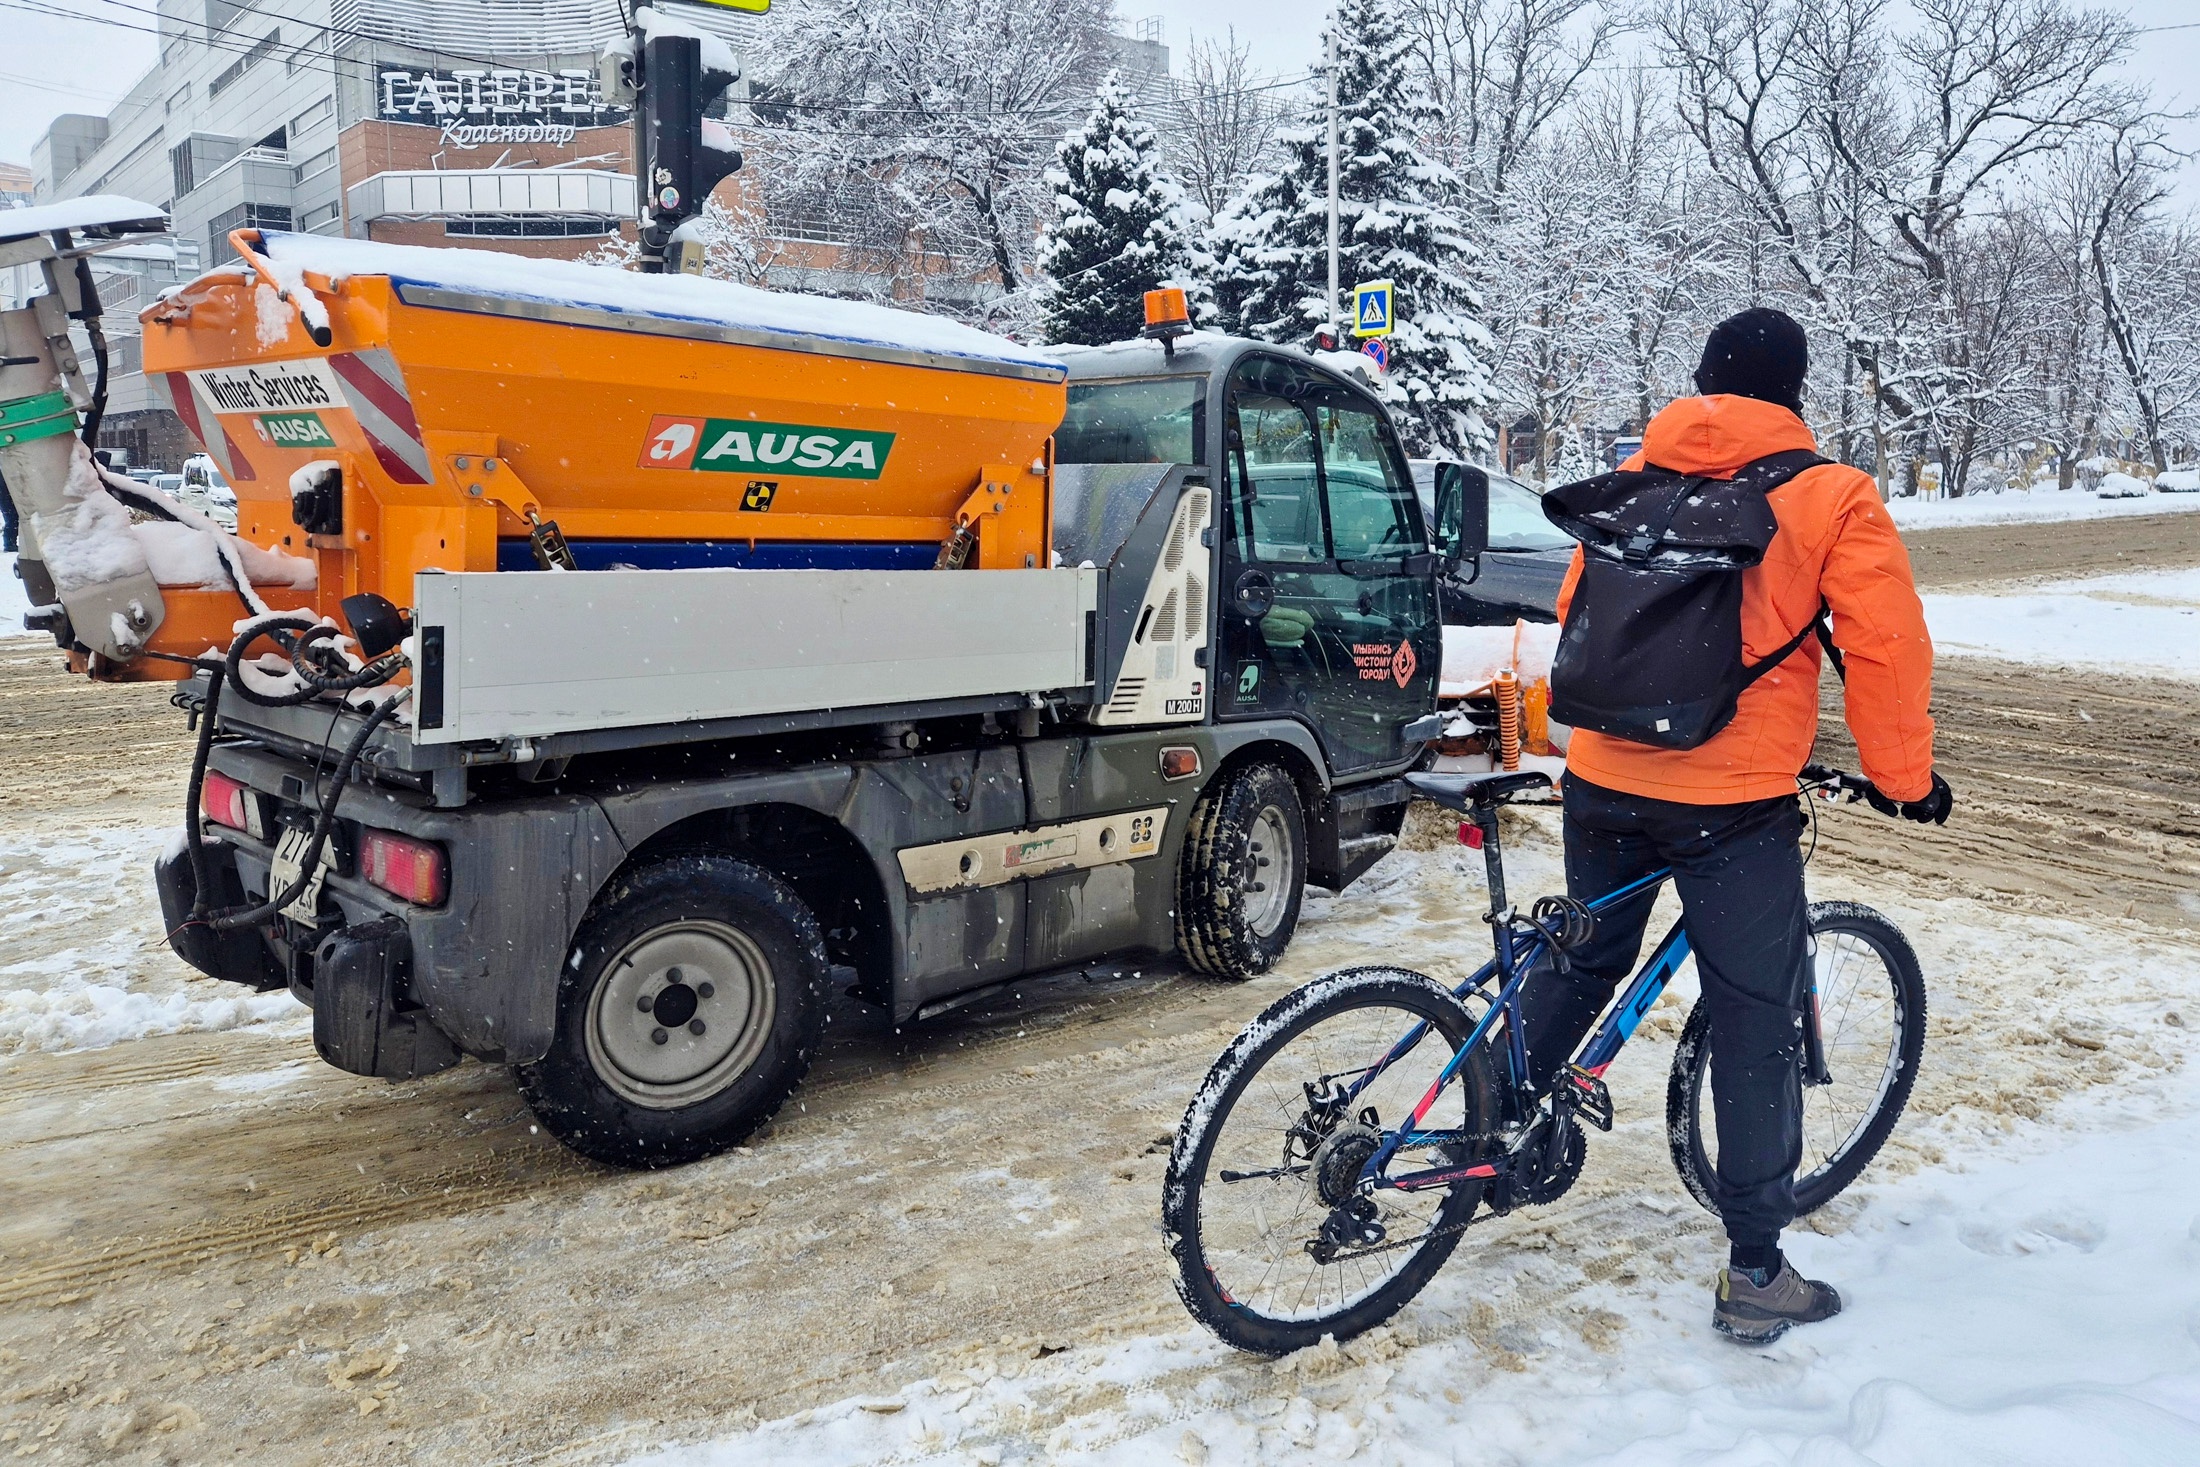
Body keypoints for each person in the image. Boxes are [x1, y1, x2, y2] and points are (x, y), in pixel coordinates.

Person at [1527, 307, 1950, 1344]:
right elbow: (1885, 648)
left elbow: (1578, 615)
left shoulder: (1636, 478)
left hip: (1601, 773)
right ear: (1791, 391)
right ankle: (1757, 1269)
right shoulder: (1831, 496)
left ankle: (1497, 1126)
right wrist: (1902, 777)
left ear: (1704, 383)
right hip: (1728, 803)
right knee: (1755, 1020)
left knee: (1582, 960)